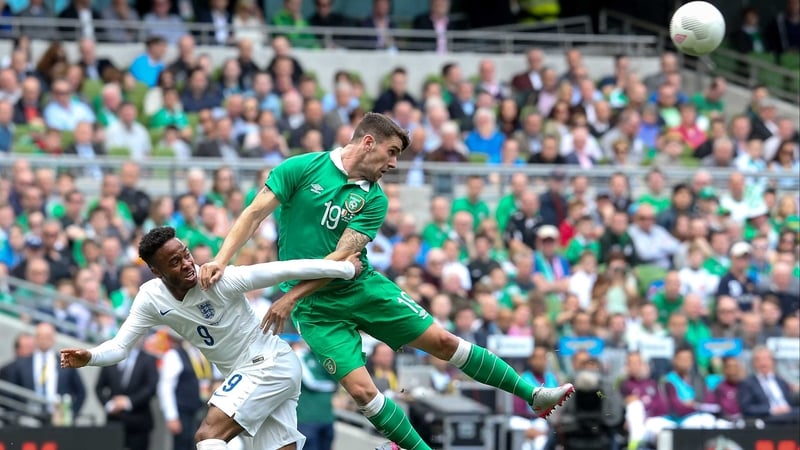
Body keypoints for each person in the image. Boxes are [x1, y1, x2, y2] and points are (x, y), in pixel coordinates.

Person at [199, 112, 575, 450]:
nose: (394, 164)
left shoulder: (375, 200)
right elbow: (253, 213)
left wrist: (290, 296)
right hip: (317, 311)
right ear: (368, 142)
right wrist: (221, 259)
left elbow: (340, 261)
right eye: (391, 152)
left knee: (444, 342)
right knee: (363, 392)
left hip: (360, 288)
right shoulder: (301, 168)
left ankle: (533, 395)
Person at [61, 226, 363, 450]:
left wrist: (345, 269)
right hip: (260, 371)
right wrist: (91, 357)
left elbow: (284, 270)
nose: (186, 264)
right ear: (155, 271)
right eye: (175, 262)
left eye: (186, 254)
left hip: (267, 364)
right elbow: (119, 347)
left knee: (208, 437)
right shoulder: (150, 298)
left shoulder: (218, 279)